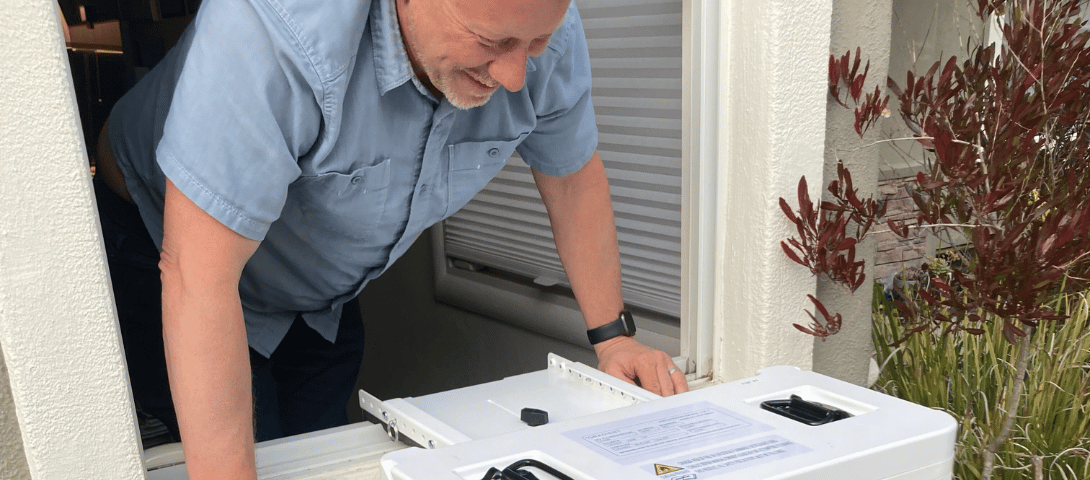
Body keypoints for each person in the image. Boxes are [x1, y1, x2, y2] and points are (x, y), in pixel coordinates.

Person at [95, 0, 689, 477]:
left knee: (317, 445)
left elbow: (573, 179)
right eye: (490, 41)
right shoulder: (273, 24)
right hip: (161, 244)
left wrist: (612, 341)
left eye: (532, 44)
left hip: (318, 284)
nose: (515, 76)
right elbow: (198, 274)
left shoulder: (536, 21)